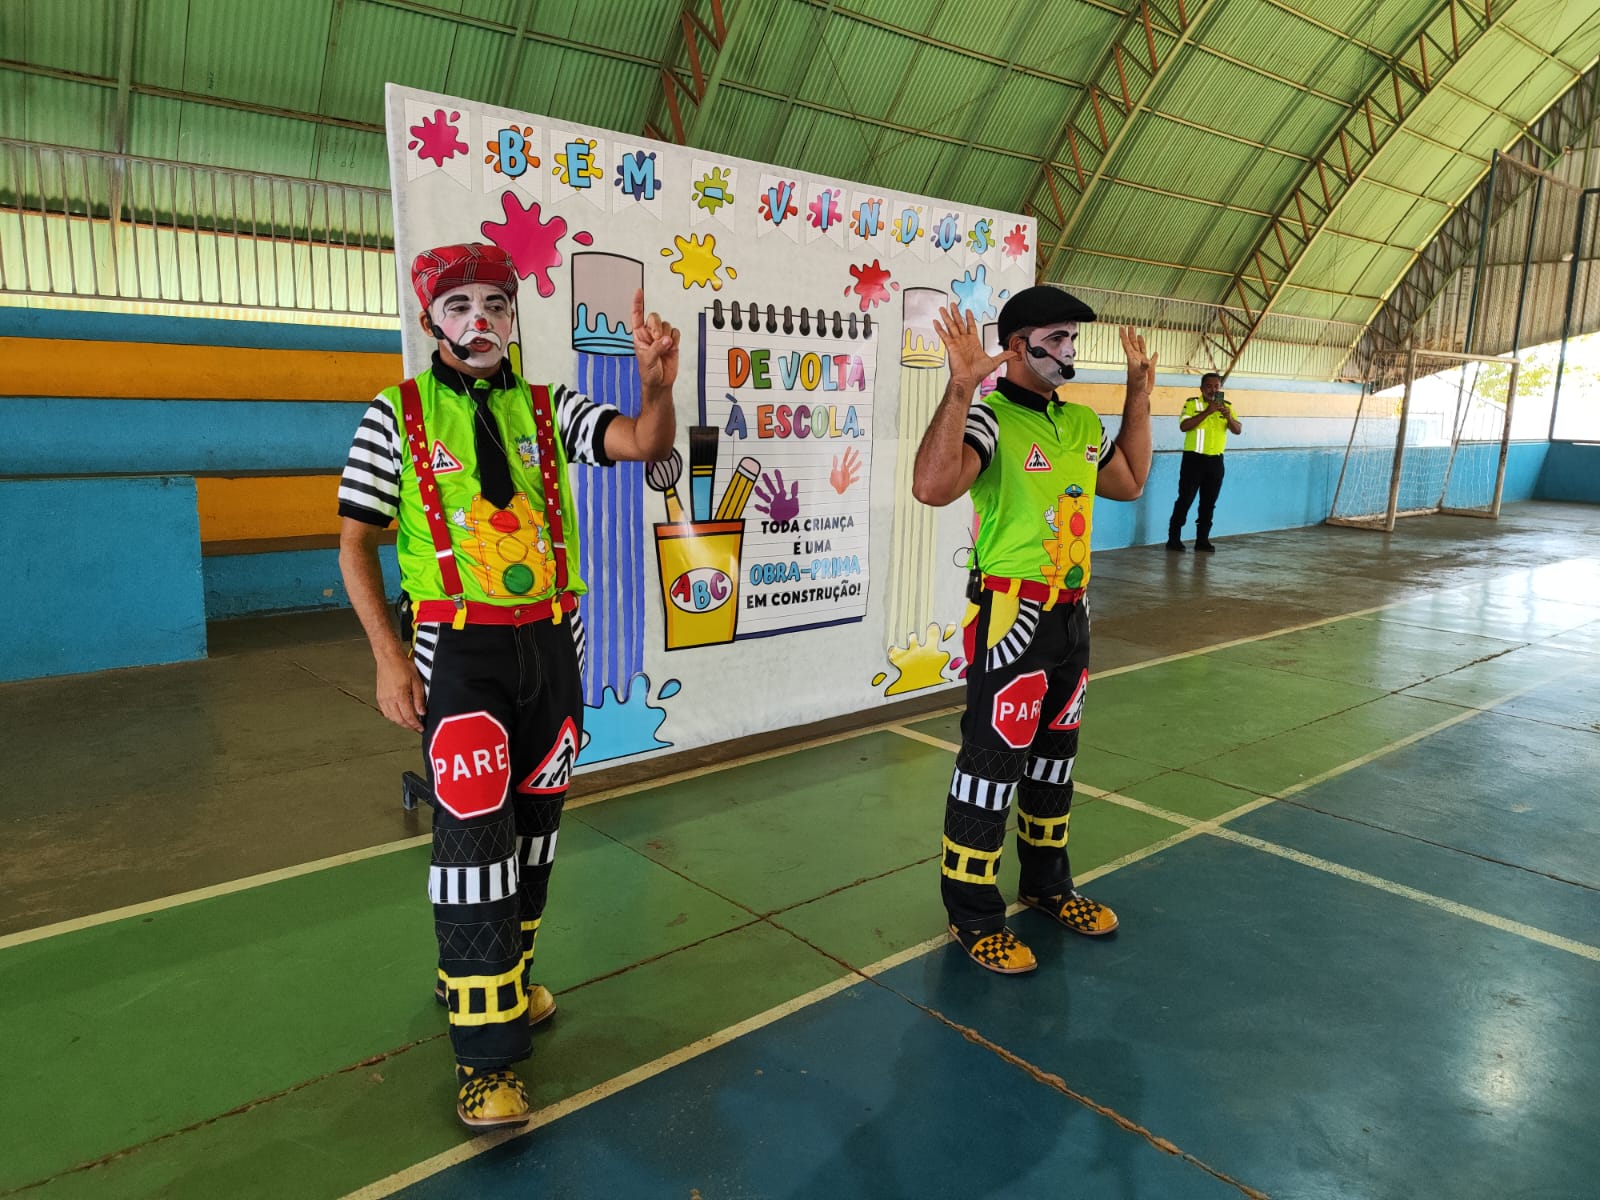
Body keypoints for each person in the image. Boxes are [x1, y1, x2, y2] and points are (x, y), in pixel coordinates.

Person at [336, 242, 678, 1127]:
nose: (479, 320)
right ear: (430, 322)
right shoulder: (395, 415)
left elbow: (642, 444)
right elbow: (353, 543)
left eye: (495, 303)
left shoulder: (545, 405)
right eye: (459, 308)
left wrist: (659, 384)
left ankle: (499, 982)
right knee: (473, 846)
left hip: (550, 651)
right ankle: (485, 1060)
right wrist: (384, 656)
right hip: (457, 655)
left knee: (535, 832)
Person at [911, 285, 1154, 974]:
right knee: (990, 768)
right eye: (1057, 338)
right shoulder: (989, 420)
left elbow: (1130, 481)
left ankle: (1048, 886)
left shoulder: (1077, 425)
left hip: (1071, 616)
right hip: (1008, 619)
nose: (1069, 351)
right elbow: (932, 487)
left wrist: (1139, 394)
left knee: (1054, 760)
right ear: (1017, 346)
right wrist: (960, 387)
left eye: (1074, 339)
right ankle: (973, 912)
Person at [1166, 371, 1241, 552]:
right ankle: (1173, 538)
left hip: (1215, 461)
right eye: (1209, 386)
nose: (1213, 390)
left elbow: (1237, 430)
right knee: (1185, 499)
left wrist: (1228, 417)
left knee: (1208, 502)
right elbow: (1184, 426)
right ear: (1201, 388)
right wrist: (1208, 412)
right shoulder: (1192, 404)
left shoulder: (1227, 406)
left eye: (1216, 386)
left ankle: (1202, 540)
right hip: (1194, 460)